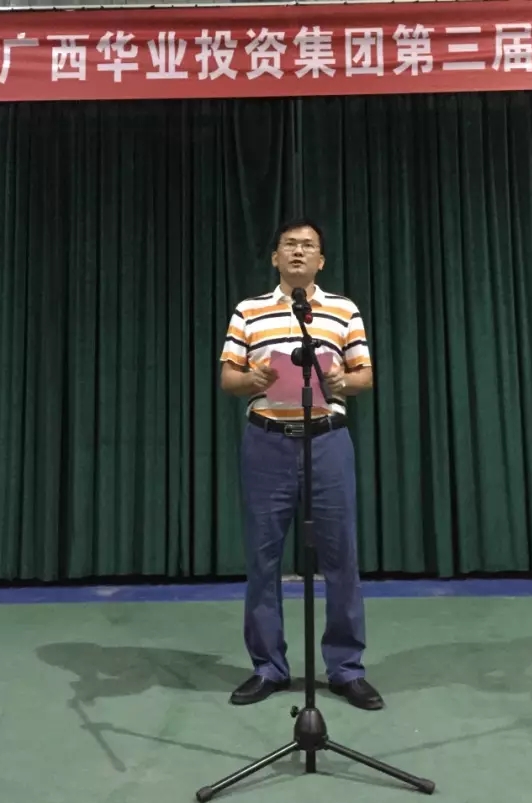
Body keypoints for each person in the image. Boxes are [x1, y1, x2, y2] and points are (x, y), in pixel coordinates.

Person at [219, 218, 384, 711]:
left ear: (321, 260)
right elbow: (228, 377)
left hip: (327, 441)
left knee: (341, 557)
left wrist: (341, 384)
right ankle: (268, 668)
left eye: (308, 245)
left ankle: (346, 669)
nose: (298, 251)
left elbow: (365, 374)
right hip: (267, 441)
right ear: (275, 257)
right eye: (289, 244)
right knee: (263, 559)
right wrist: (253, 379)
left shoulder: (343, 310)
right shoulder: (248, 310)